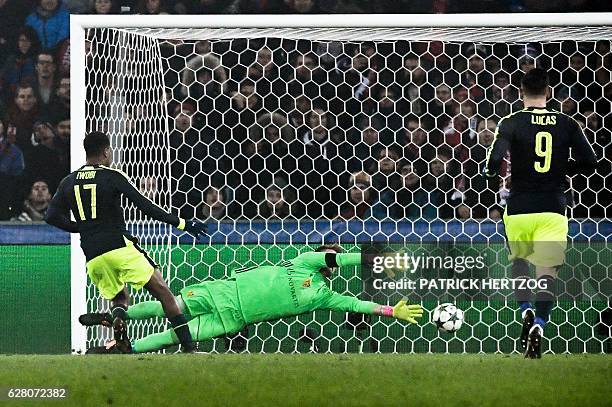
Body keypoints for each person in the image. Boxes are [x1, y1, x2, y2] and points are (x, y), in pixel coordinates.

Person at [80, 244, 424, 354]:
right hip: (225, 291)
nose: (332, 259)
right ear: (322, 255)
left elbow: (355, 305)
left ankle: (121, 348)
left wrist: (391, 309)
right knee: (171, 309)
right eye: (329, 254)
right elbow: (342, 259)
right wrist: (370, 258)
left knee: (174, 333)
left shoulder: (323, 295)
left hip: (232, 318)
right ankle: (118, 316)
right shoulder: (306, 260)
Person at [45, 131, 208, 352]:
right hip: (118, 245)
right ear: (105, 151)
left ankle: (119, 328)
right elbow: (145, 206)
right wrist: (182, 223)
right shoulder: (112, 176)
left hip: (93, 254)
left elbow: (50, 216)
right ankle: (189, 348)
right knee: (163, 292)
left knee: (119, 296)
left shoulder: (68, 182)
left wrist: (80, 227)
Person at [485, 68, 597, 358]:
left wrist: (489, 176)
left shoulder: (510, 122)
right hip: (552, 207)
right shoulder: (567, 123)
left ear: (521, 92)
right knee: (547, 271)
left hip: (520, 207)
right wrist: (563, 170)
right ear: (548, 92)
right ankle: (540, 324)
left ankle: (524, 311)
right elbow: (590, 162)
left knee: (520, 261)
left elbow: (495, 159)